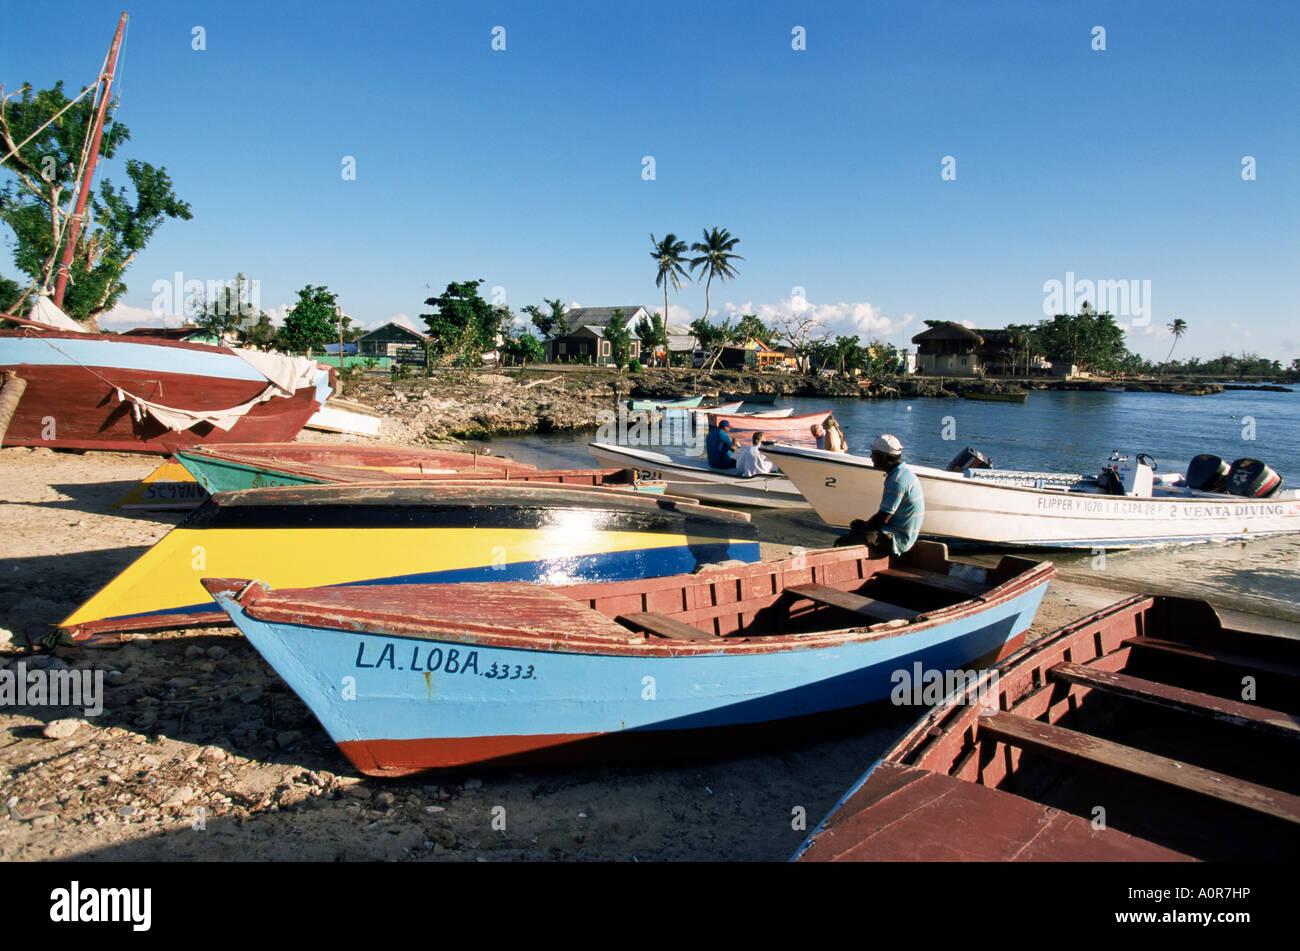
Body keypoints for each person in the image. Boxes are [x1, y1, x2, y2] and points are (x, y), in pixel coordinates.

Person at [836, 434, 924, 556]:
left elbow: (883, 517)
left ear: (883, 457)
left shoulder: (897, 480)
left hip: (899, 539)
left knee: (842, 543)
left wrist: (858, 533)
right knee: (857, 525)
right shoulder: (903, 472)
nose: (871, 457)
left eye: (874, 454)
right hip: (894, 530)